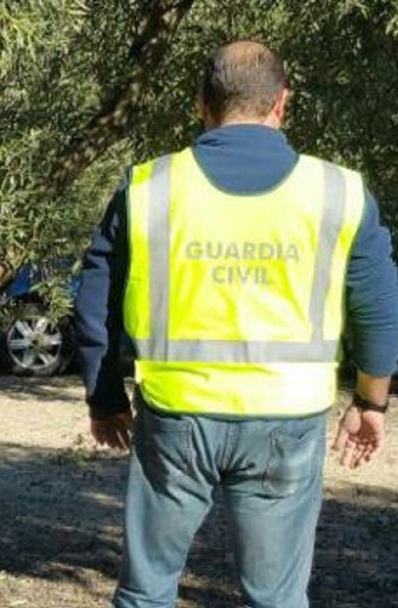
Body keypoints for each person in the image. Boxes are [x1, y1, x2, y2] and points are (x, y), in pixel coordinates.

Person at [73, 40, 398, 608]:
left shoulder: (150, 186)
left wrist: (104, 397)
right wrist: (371, 402)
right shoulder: (339, 192)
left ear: (202, 104)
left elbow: (96, 292)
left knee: (147, 592)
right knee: (275, 597)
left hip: (176, 416)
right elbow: (377, 302)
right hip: (286, 423)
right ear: (282, 103)